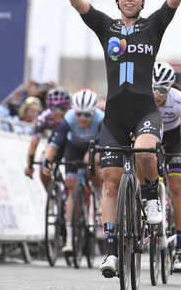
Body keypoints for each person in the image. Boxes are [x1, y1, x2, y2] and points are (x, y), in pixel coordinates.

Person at [52, 0, 181, 276]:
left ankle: (152, 196)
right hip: (115, 116)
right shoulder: (105, 26)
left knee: (146, 154)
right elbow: (78, 2)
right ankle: (110, 253)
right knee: (109, 183)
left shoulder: (153, 26)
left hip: (144, 110)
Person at [41, 88, 104, 254]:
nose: (82, 119)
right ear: (74, 112)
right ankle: (70, 239)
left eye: (87, 115)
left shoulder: (101, 119)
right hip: (74, 146)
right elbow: (54, 144)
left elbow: (107, 145)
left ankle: (98, 192)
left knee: (88, 162)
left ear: (94, 113)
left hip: (95, 145)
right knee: (71, 190)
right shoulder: (68, 119)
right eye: (79, 115)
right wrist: (46, 160)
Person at [144, 62, 181, 271]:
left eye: (163, 90)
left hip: (173, 138)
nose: (157, 94)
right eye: (153, 88)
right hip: (150, 133)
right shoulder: (142, 97)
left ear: (171, 87)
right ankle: (147, 200)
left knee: (177, 187)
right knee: (142, 159)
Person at [25, 87, 71, 190]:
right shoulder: (44, 118)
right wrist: (29, 166)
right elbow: (33, 144)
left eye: (62, 108)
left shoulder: (74, 115)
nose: (58, 112)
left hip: (72, 142)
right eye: (53, 109)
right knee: (43, 166)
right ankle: (52, 196)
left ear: (69, 107)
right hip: (55, 142)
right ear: (48, 108)